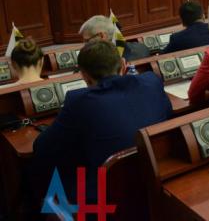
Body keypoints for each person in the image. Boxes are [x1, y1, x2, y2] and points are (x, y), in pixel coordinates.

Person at [33, 40, 171, 200]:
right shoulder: (151, 82)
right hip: (153, 182)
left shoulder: (79, 101)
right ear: (123, 64)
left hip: (107, 198)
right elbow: (167, 114)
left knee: (47, 174)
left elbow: (42, 148)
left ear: (84, 75)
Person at [79, 15, 150, 61]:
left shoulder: (97, 66)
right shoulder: (142, 49)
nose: (85, 44)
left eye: (87, 40)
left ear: (102, 36)